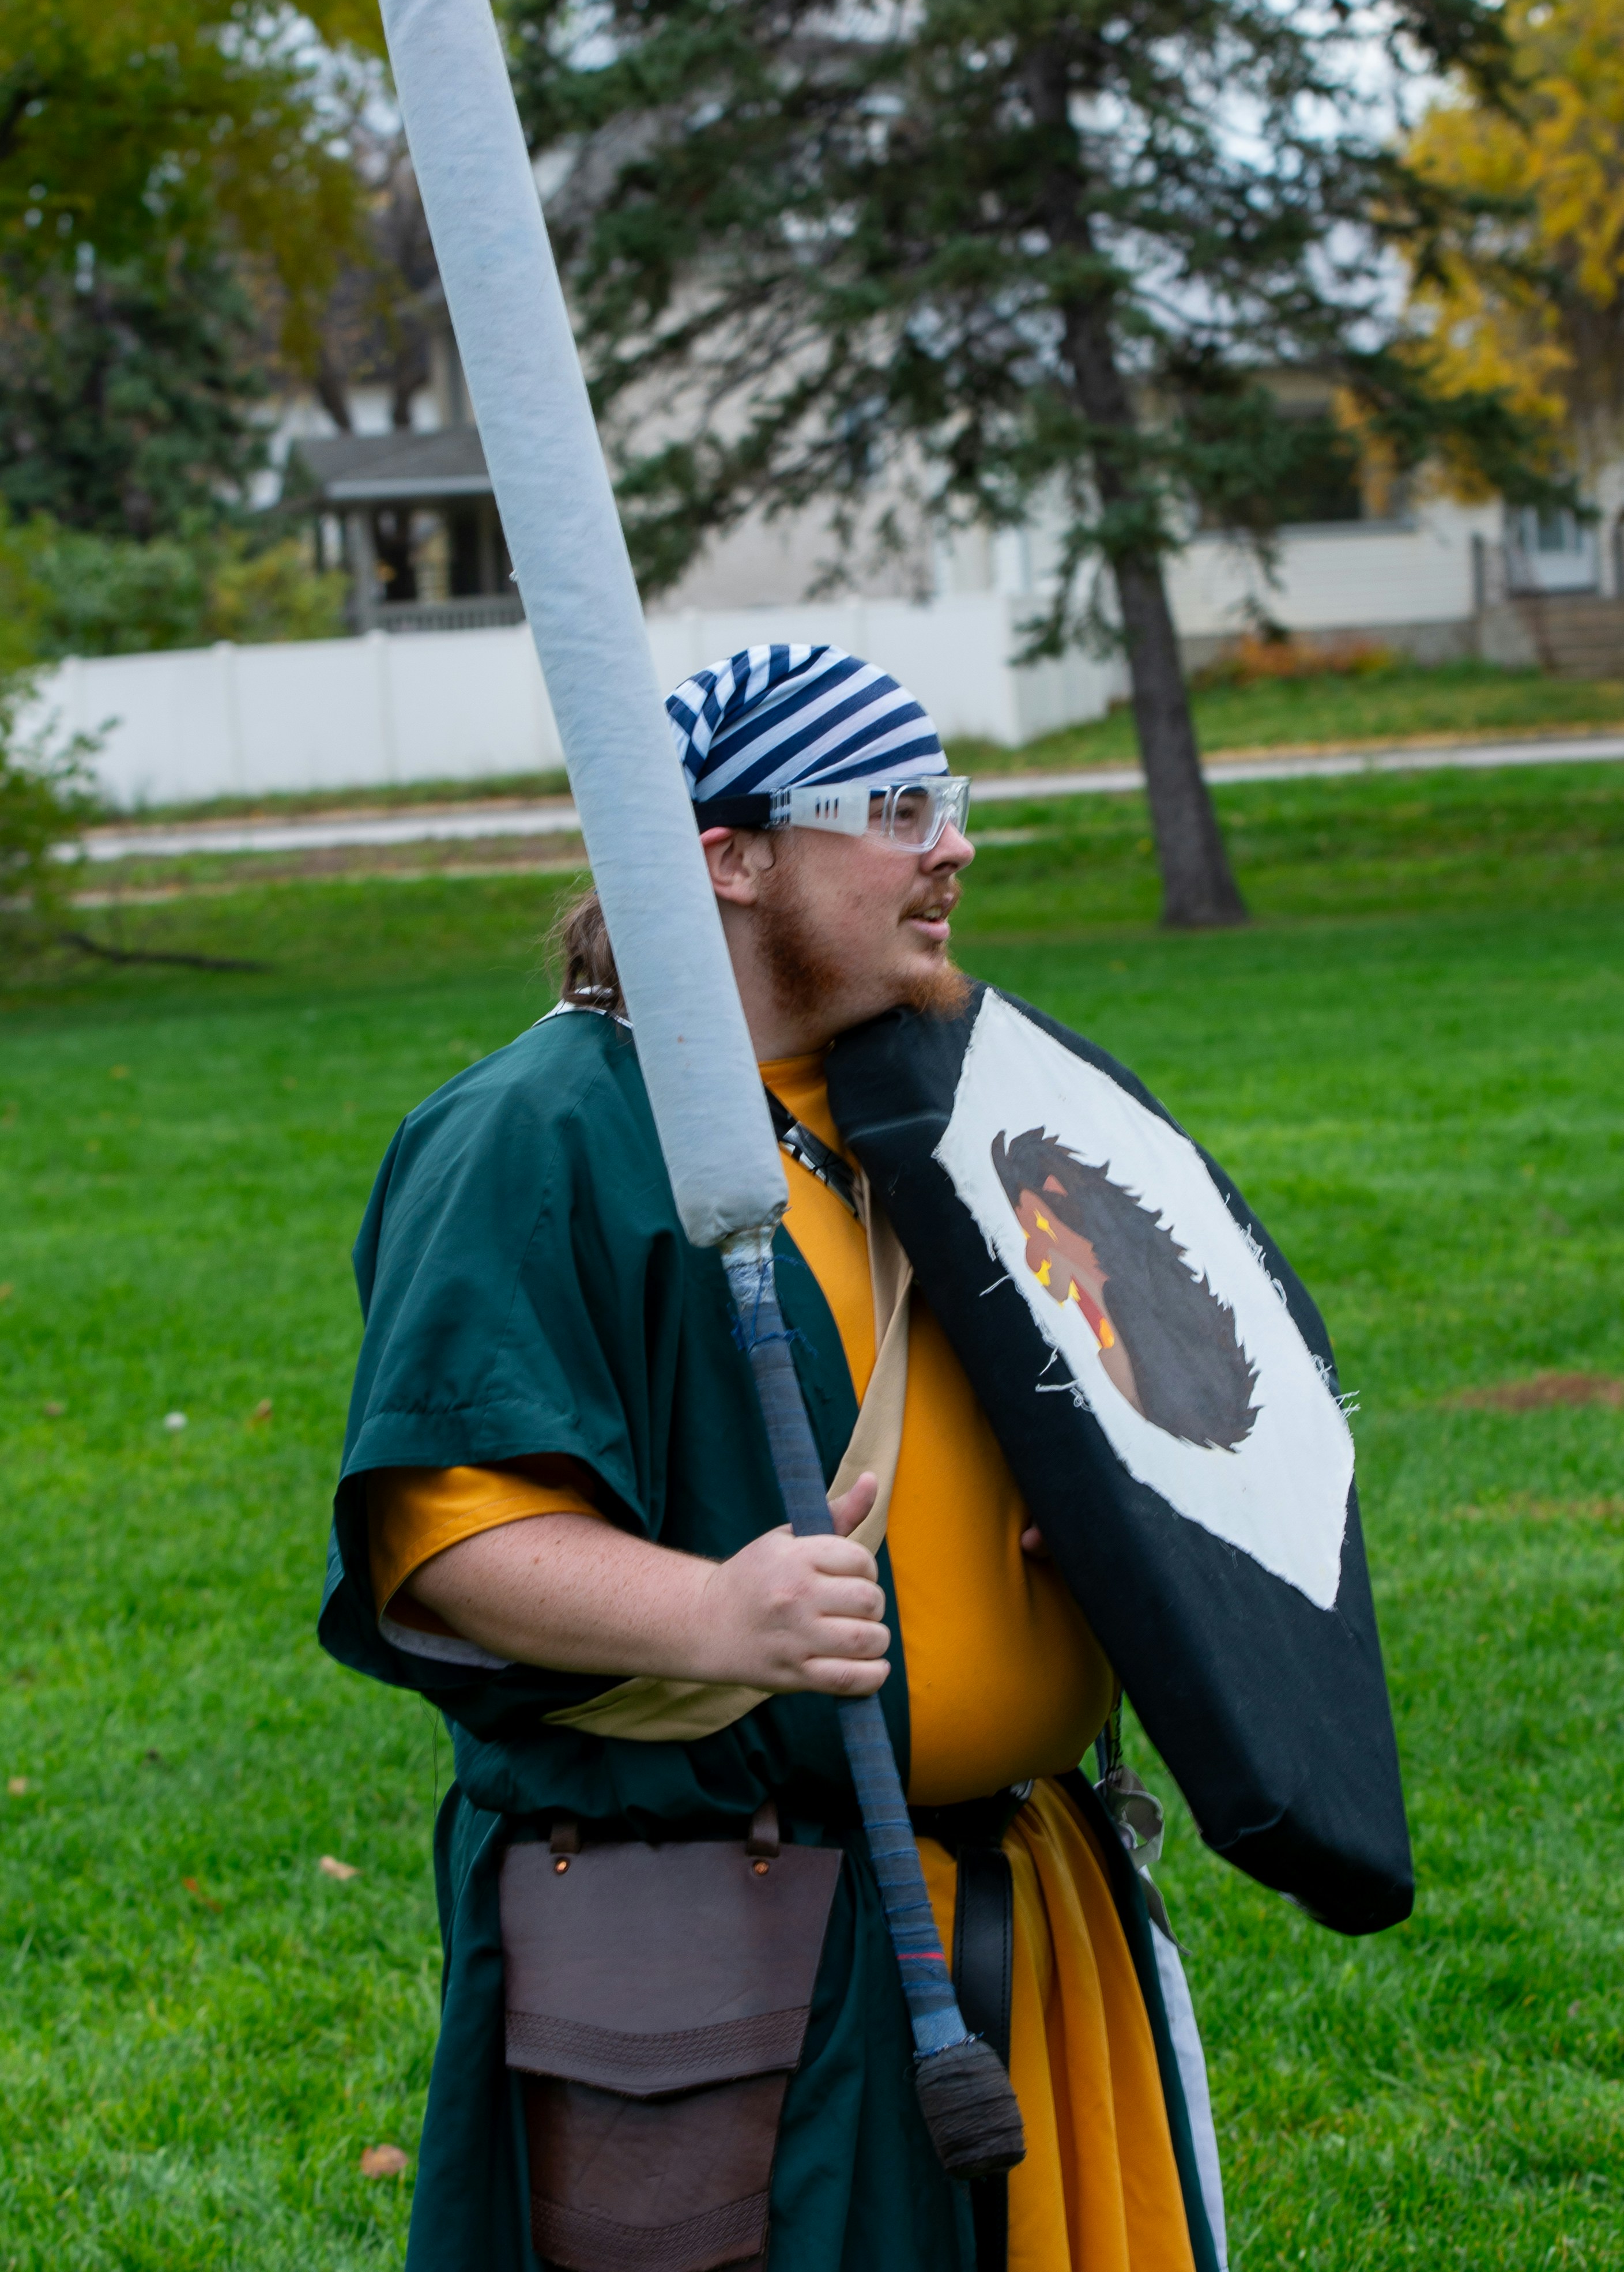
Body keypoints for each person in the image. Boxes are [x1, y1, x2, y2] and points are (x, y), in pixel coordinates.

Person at [319, 644, 1222, 2272]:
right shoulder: (539, 1133)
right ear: (724, 858)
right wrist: (712, 1620)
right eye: (890, 810)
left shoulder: (934, 1104)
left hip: (1025, 1891)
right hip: (735, 1922)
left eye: (944, 804)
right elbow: (440, 1533)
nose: (948, 848)